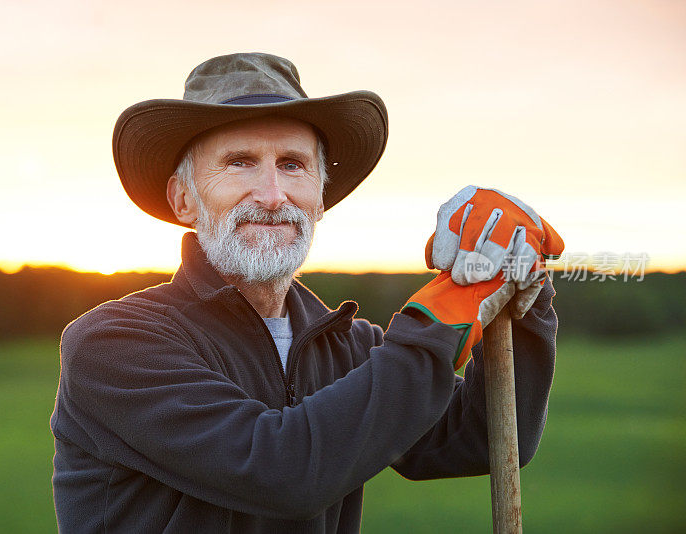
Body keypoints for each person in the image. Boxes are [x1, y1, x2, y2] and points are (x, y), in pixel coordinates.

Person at [50, 52, 565, 533]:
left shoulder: (349, 349)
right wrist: (444, 313)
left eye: (292, 165)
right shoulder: (112, 345)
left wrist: (516, 290)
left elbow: (484, 439)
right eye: (239, 162)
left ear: (320, 198)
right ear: (184, 199)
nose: (272, 196)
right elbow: (282, 471)